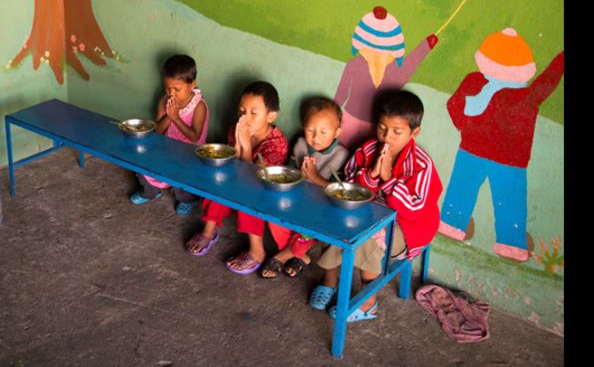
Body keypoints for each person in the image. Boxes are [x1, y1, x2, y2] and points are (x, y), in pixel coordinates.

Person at [308, 90, 443, 322]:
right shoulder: (368, 149)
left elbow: (413, 211)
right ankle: (328, 281)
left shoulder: (421, 165)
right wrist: (370, 174)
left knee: (369, 237)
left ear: (415, 132)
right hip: (370, 212)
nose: (387, 137)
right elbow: (348, 186)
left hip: (408, 228)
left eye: (397, 132)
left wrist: (389, 179)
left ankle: (368, 303)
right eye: (382, 128)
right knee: (333, 218)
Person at [439, 30, 564, 261]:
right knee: (509, 200)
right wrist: (561, 59)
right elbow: (549, 79)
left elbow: (453, 104)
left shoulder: (474, 80)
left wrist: (465, 127)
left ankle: (451, 223)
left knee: (461, 188)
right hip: (510, 161)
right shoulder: (528, 94)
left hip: (472, 149)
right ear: (524, 69)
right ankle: (511, 243)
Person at [184, 81, 289, 275]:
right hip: (239, 177)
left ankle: (257, 250)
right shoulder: (236, 129)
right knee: (219, 181)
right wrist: (239, 146)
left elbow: (256, 178)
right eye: (242, 111)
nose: (245, 117)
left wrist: (246, 147)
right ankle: (208, 231)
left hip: (262, 190)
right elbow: (233, 163)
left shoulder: (277, 144)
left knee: (248, 196)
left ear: (271, 116)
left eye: (253, 112)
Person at [260, 97, 350, 279]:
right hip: (296, 200)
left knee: (308, 228)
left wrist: (315, 177)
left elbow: (339, 193)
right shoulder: (301, 145)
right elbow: (289, 175)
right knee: (274, 217)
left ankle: (281, 256)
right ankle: (300, 256)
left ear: (337, 132)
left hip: (321, 208)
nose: (315, 138)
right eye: (310, 130)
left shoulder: (341, 155)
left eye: (323, 132)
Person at [334, 6, 438, 150]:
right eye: (370, 51)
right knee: (340, 154)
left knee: (364, 158)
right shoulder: (354, 65)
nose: (376, 56)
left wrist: (425, 46)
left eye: (383, 53)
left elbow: (410, 64)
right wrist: (330, 119)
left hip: (374, 127)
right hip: (348, 121)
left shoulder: (394, 71)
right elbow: (341, 94)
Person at [129, 54, 209, 215]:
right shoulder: (164, 100)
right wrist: (169, 116)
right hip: (166, 147)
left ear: (192, 84)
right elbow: (157, 130)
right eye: (168, 88)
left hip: (189, 153)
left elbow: (195, 137)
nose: (171, 93)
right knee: (139, 159)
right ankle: (151, 191)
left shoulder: (199, 106)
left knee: (184, 176)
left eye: (177, 89)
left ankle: (187, 199)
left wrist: (177, 119)